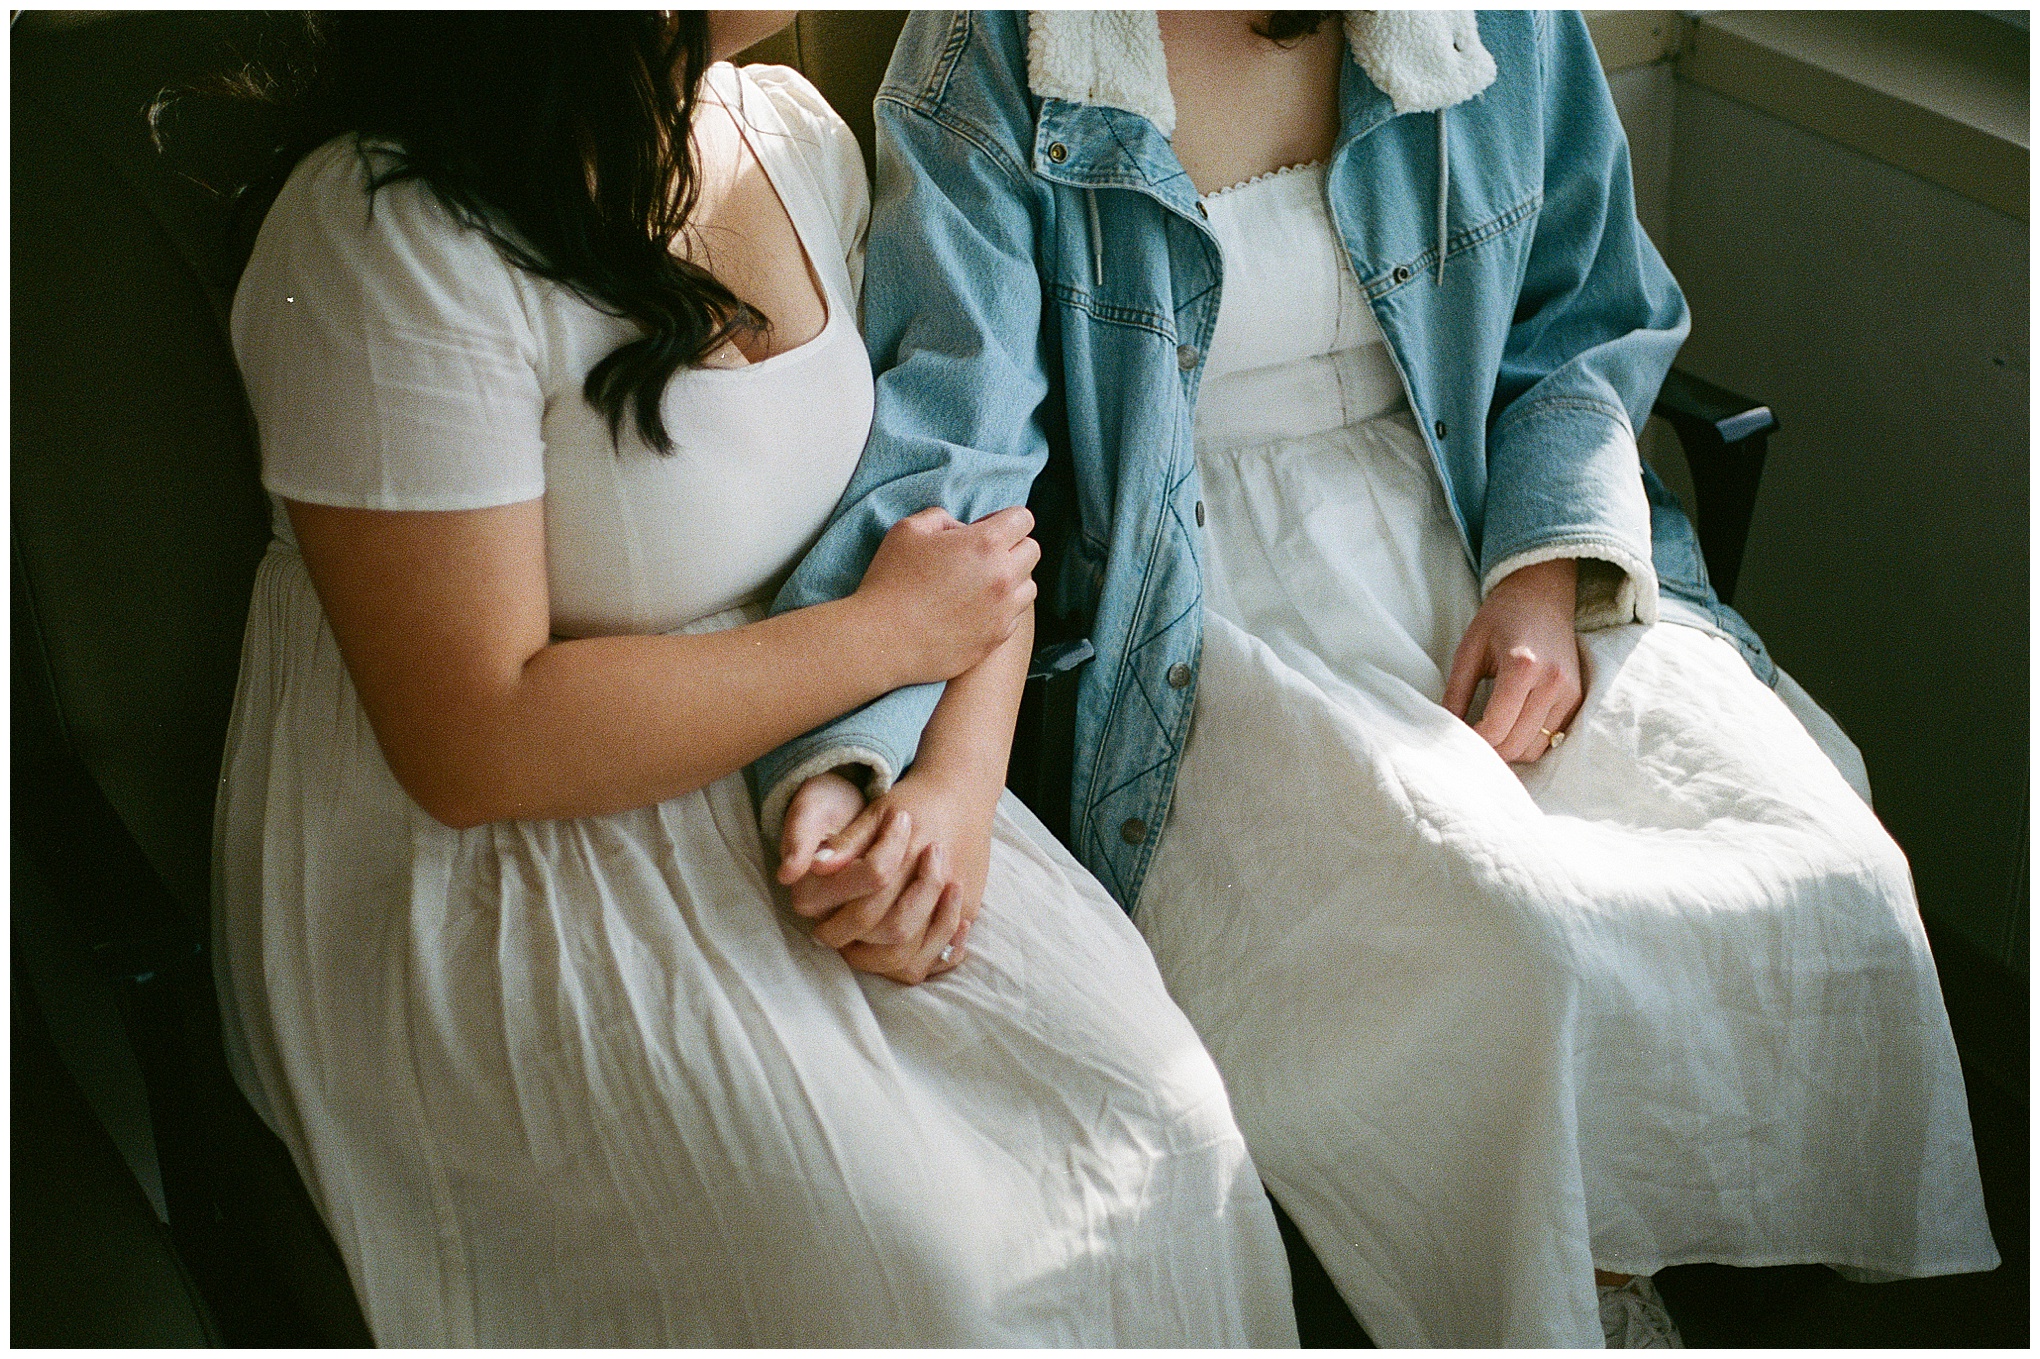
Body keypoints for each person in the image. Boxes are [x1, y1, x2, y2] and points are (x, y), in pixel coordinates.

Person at [758, 9, 2000, 1348]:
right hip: (1194, 604)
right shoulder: (1004, 49)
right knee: (1510, 936)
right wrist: (863, 755)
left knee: (1835, 869)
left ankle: (1636, 1239)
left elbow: (1586, 316)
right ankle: (1547, 1287)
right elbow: (956, 447)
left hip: (1477, 519)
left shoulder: (1492, 23)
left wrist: (1543, 566)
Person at [211, 10, 1296, 1346]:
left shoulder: (790, 136)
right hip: (535, 859)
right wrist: (882, 643)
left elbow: (958, 524)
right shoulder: (388, 236)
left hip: (856, 756)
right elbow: (474, 740)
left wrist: (952, 792)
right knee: (908, 1277)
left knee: (1166, 1140)